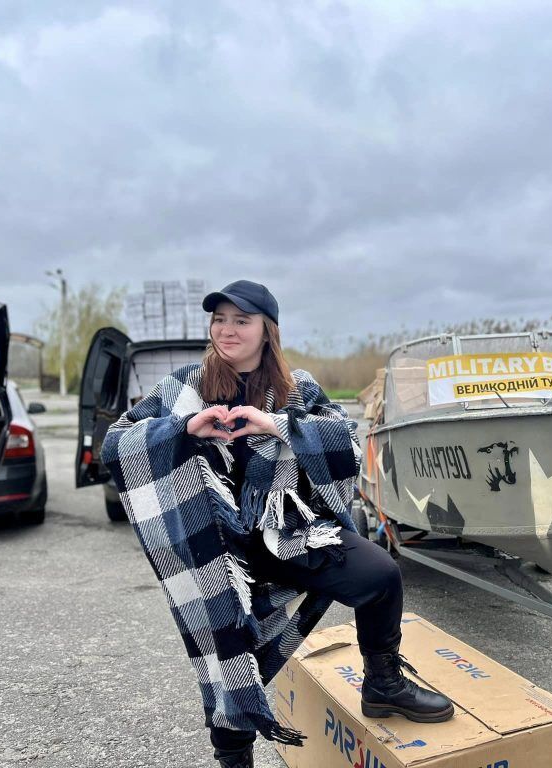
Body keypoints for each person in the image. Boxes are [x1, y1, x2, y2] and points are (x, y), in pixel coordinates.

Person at [102, 280, 453, 768]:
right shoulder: (184, 386)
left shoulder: (296, 388)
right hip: (216, 551)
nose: (227, 330)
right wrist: (183, 429)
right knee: (230, 662)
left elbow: (347, 446)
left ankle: (383, 683)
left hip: (285, 533)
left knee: (381, 576)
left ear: (268, 331)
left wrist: (278, 425)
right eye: (219, 319)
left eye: (241, 320)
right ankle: (235, 758)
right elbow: (115, 444)